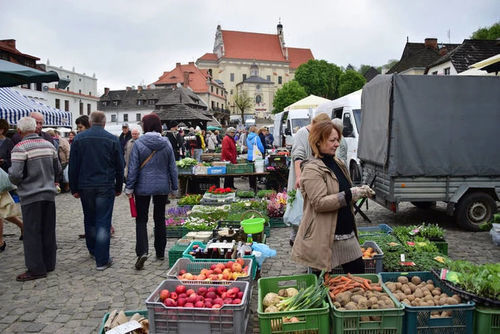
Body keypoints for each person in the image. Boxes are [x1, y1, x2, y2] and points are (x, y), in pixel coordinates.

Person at [290, 120, 374, 273]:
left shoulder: (339, 163)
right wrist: (350, 194)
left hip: (347, 234)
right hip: (325, 238)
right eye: (332, 140)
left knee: (359, 277)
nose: (337, 144)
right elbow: (319, 203)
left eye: (338, 140)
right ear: (318, 142)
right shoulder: (311, 169)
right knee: (325, 287)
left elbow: (343, 191)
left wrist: (358, 191)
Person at [69, 111, 124, 271]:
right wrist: (118, 186)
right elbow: (120, 166)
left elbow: (73, 166)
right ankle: (102, 259)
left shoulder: (79, 139)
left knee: (90, 218)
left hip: (85, 185)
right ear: (104, 123)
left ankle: (93, 250)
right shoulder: (112, 139)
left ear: (90, 122)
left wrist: (74, 187)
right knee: (103, 221)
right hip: (105, 185)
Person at [9, 117, 61, 281]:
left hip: (31, 195)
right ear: (36, 129)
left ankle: (36, 268)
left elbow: (15, 175)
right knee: (48, 230)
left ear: (20, 131)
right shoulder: (49, 145)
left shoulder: (20, 148)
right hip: (48, 193)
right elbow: (57, 169)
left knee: (32, 232)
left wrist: (16, 178)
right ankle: (49, 263)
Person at [125, 113, 178, 270]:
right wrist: (174, 187)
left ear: (145, 126)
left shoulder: (139, 143)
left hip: (142, 187)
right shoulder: (166, 143)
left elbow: (133, 168)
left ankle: (142, 251)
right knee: (159, 218)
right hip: (162, 187)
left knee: (141, 220)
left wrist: (129, 187)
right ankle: (160, 251)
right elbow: (172, 167)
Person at [287, 113, 331, 246]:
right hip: (302, 176)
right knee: (300, 209)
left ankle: (303, 238)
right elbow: (298, 156)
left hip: (314, 177)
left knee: (308, 209)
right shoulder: (302, 133)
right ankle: (295, 238)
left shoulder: (318, 135)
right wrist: (299, 177)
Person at [0, 119, 23, 251]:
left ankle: (0, 241)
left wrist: (4, 161)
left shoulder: (8, 142)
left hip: (2, 179)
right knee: (4, 211)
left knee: (2, 211)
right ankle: (23, 226)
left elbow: (13, 160)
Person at [246, 126, 265, 190]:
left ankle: (251, 186)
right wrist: (263, 151)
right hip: (256, 156)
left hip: (249, 156)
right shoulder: (257, 137)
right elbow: (260, 146)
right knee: (255, 172)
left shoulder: (248, 137)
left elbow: (248, 146)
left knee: (250, 172)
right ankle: (255, 186)